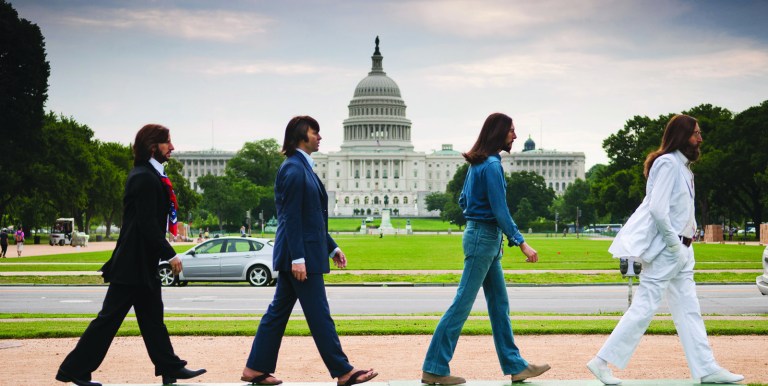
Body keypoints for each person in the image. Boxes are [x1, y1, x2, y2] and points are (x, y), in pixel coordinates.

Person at [586, 114, 744, 385]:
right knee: (645, 307)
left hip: (683, 249)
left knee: (688, 309)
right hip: (669, 249)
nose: (700, 138)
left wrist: (683, 246)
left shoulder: (682, 167)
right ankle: (601, 362)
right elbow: (657, 209)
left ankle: (706, 368)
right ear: (682, 136)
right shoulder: (668, 164)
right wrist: (674, 245)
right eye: (696, 133)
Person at [56, 124, 206, 386]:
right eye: (167, 142)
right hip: (132, 264)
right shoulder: (144, 178)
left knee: (152, 320)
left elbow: (146, 224)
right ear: (152, 147)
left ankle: (169, 368)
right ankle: (73, 369)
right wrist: (170, 255)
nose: (172, 147)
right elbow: (147, 224)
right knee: (109, 321)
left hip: (140, 263)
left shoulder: (149, 175)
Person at [241, 116, 377, 386]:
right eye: (315, 132)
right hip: (300, 258)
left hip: (303, 254)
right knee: (318, 314)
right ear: (301, 136)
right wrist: (299, 259)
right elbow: (291, 218)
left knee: (278, 313)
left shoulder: (301, 168)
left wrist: (331, 247)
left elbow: (311, 217)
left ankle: (255, 368)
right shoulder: (294, 170)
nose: (320, 137)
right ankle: (343, 371)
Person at [421, 113, 550, 385]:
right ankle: (434, 366)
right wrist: (522, 242)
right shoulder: (491, 166)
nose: (515, 136)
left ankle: (515, 365)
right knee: (461, 305)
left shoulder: (477, 164)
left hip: (482, 237)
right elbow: (500, 210)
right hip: (484, 238)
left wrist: (478, 219)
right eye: (511, 131)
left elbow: (463, 199)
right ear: (499, 133)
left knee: (499, 305)